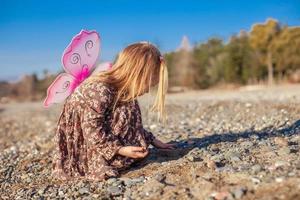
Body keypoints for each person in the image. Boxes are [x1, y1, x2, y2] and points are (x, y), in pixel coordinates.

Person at [52, 42, 175, 181]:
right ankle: (104, 157)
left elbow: (131, 123)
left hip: (99, 133)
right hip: (85, 143)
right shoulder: (99, 90)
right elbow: (91, 129)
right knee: (127, 106)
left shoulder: (123, 91)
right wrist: (119, 149)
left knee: (130, 105)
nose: (147, 90)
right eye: (148, 84)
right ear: (137, 75)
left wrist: (152, 140)